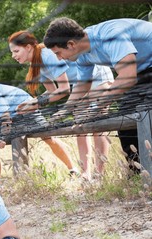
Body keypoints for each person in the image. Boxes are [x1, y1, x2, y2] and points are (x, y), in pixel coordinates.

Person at [43, 17, 152, 173]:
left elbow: (127, 76)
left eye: (58, 53)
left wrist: (95, 108)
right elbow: (83, 85)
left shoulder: (109, 36)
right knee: (125, 120)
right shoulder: (82, 54)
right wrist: (63, 111)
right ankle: (139, 175)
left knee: (147, 116)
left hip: (142, 70)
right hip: (140, 72)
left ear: (71, 44)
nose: (59, 58)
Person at [8, 30, 114, 181]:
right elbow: (52, 92)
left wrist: (37, 102)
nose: (13, 56)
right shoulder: (36, 63)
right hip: (80, 85)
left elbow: (64, 89)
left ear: (29, 47)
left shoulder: (47, 55)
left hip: (97, 77)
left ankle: (99, 175)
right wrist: (32, 102)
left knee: (96, 124)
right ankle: (85, 174)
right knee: (79, 127)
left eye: (16, 51)